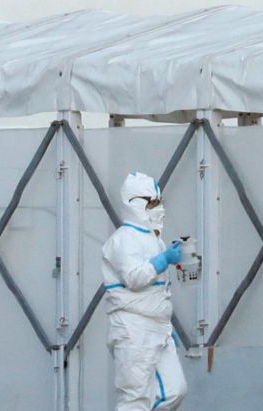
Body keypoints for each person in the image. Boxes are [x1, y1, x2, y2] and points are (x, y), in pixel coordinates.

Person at [102, 172, 187, 411]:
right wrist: (164, 260)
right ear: (135, 203)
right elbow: (134, 278)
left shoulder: (154, 240)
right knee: (135, 399)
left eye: (158, 202)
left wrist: (165, 322)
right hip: (133, 328)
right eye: (152, 202)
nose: (157, 208)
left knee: (173, 390)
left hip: (158, 327)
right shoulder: (123, 239)